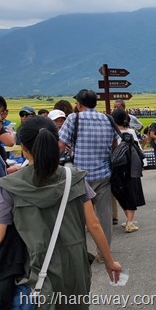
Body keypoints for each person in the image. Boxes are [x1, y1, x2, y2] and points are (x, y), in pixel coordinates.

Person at [0, 116, 121, 307]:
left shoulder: (9, 186)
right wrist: (109, 261)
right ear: (54, 142)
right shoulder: (74, 178)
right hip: (75, 266)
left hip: (35, 268)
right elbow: (94, 224)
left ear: (23, 148)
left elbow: (0, 234)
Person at [58, 89, 118, 261]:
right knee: (104, 214)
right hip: (103, 174)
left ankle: (78, 253)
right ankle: (103, 253)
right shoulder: (108, 118)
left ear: (79, 104)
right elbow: (114, 144)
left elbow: (61, 145)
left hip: (80, 177)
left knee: (78, 216)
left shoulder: (73, 118)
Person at [110, 108, 146, 233]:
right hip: (130, 167)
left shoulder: (111, 132)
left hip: (116, 168)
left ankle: (128, 220)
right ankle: (130, 222)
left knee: (120, 194)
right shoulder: (130, 131)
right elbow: (138, 148)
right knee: (130, 194)